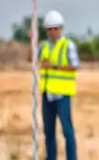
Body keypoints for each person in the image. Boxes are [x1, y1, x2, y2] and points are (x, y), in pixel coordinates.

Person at [27, 10, 79, 160]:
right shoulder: (43, 46)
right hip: (47, 94)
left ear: (61, 28)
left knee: (67, 131)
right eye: (49, 29)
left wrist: (54, 66)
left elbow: (75, 65)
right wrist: (33, 42)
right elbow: (31, 58)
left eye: (55, 28)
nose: (52, 32)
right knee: (48, 132)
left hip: (62, 95)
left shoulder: (67, 45)